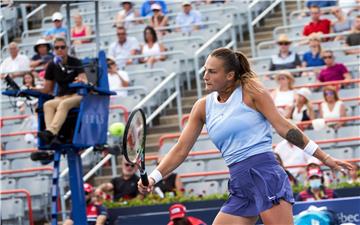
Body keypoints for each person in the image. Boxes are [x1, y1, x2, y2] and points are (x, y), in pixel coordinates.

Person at [138, 47, 352, 225]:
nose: (205, 76)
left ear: (229, 75)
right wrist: (154, 177)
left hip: (265, 175)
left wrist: (324, 158)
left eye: (212, 72)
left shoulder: (252, 93)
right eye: (205, 70)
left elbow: (285, 127)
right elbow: (180, 149)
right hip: (240, 183)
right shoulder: (202, 107)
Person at [34, 37, 88, 145]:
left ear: (67, 48)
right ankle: (53, 137)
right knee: (48, 104)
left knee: (64, 104)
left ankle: (51, 132)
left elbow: (84, 79)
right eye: (57, 48)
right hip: (61, 96)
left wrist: (81, 80)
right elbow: (47, 88)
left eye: (62, 47)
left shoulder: (75, 62)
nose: (60, 50)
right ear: (54, 50)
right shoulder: (52, 65)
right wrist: (32, 89)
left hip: (76, 95)